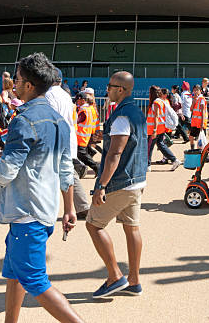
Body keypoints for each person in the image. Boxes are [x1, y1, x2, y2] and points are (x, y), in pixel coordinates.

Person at [0, 53, 83, 323]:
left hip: (25, 210)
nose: (13, 84)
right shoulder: (59, 121)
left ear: (28, 85)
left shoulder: (23, 120)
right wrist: (69, 208)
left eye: (16, 79)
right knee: (15, 272)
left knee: (35, 280)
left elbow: (6, 173)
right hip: (44, 208)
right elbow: (67, 170)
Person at [86, 71, 148, 298]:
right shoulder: (136, 112)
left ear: (120, 89)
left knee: (94, 225)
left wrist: (101, 186)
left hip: (120, 182)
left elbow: (115, 153)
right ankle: (134, 281)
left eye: (110, 86)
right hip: (137, 179)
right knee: (132, 228)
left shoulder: (122, 116)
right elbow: (130, 141)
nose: (107, 90)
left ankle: (114, 276)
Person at [46, 69, 91, 220]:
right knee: (67, 172)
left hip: (57, 140)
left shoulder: (49, 95)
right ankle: (82, 206)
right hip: (69, 137)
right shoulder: (65, 95)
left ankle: (82, 207)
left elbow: (51, 121)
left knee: (62, 173)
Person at [147, 86, 179, 171]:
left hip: (154, 129)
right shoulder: (161, 101)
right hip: (160, 128)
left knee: (149, 147)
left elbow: (156, 117)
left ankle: (147, 165)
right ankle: (174, 160)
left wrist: (154, 130)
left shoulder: (156, 102)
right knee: (161, 145)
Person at [75, 91, 100, 175]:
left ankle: (96, 167)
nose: (76, 103)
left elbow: (76, 122)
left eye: (77, 101)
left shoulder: (83, 110)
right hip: (85, 135)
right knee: (81, 154)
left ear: (82, 100)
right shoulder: (88, 109)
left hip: (81, 137)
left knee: (81, 154)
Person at [188, 84, 207, 150]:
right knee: (191, 137)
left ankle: (205, 155)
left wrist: (202, 124)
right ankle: (192, 150)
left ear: (200, 91)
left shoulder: (202, 99)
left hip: (200, 123)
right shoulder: (195, 99)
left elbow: (203, 112)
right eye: (194, 90)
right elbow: (191, 109)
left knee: (202, 140)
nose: (195, 92)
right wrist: (194, 102)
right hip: (195, 123)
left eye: (197, 90)